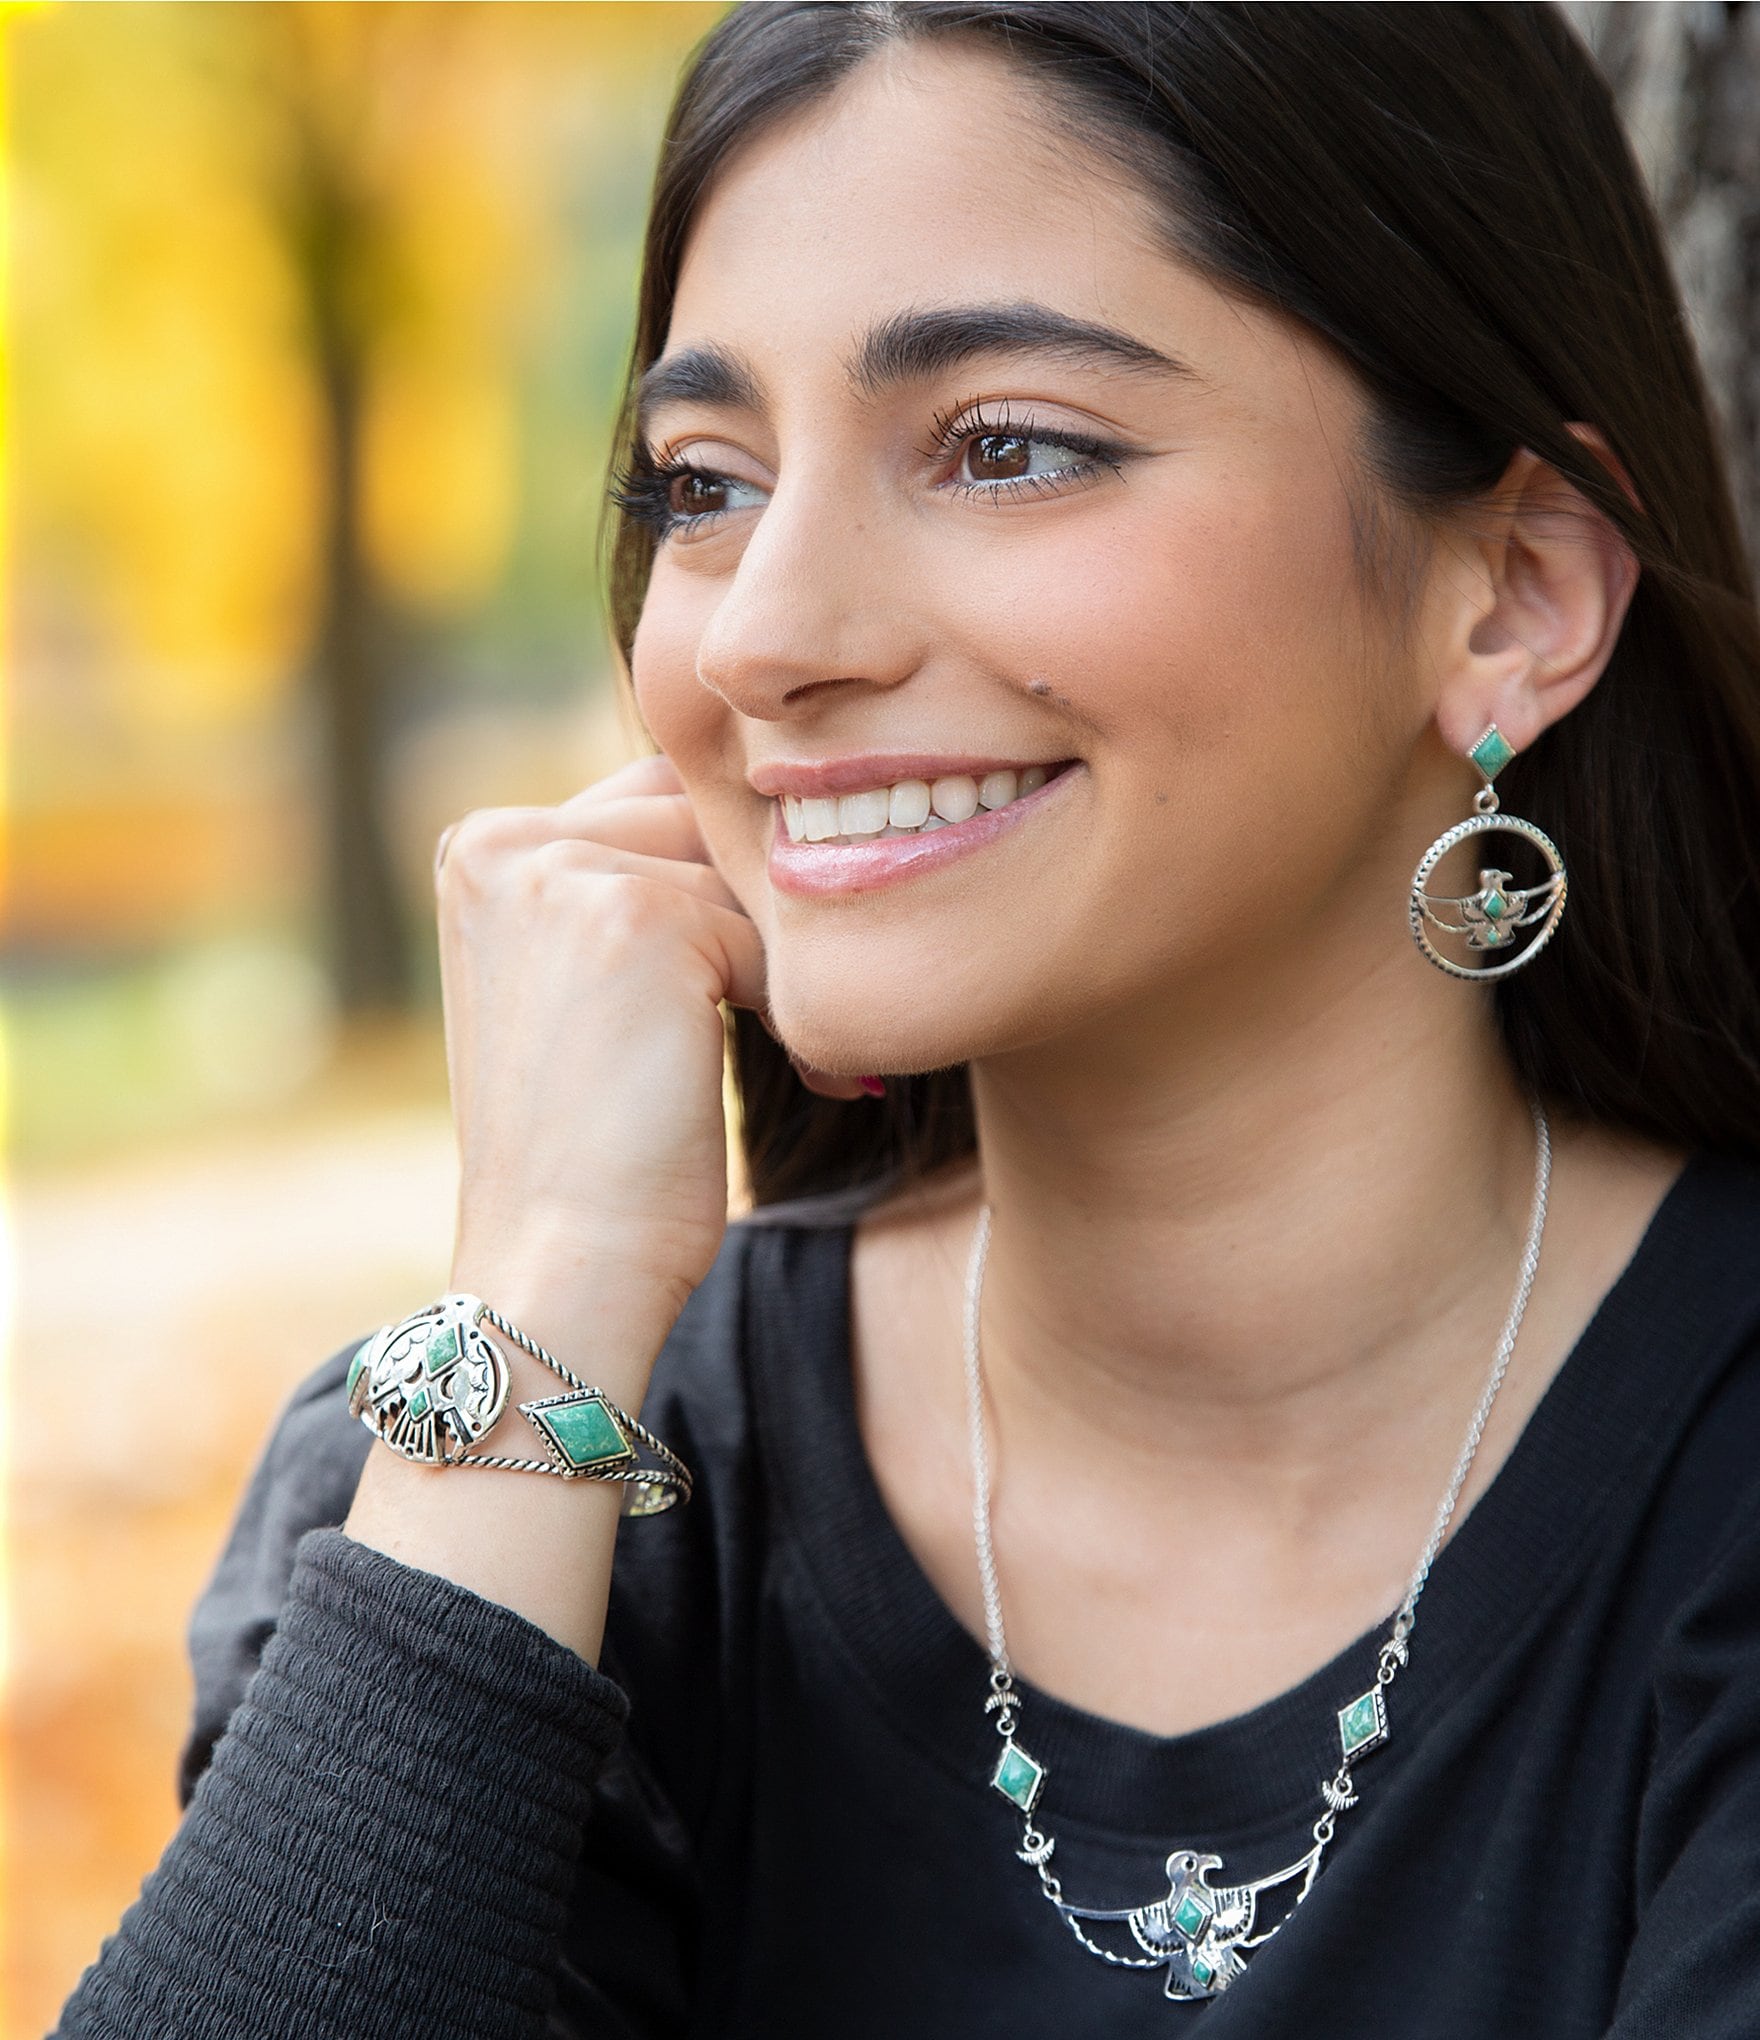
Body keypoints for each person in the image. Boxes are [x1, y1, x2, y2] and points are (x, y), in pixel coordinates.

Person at [55, 4, 1760, 2035]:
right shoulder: (519, 1467)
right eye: (701, 483)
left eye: (1004, 446)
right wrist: (549, 1287)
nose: (763, 631)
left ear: (1511, 595)